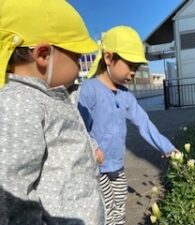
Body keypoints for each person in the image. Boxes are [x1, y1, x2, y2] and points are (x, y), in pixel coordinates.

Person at [0, 0, 105, 224]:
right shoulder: (19, 103)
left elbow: (65, 137)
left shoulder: (52, 95)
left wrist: (91, 148)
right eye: (77, 57)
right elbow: (13, 188)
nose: (79, 66)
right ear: (44, 55)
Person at [78, 25, 178, 225]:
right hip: (97, 168)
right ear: (108, 58)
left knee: (119, 206)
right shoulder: (89, 90)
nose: (133, 72)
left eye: (136, 68)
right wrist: (92, 146)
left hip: (118, 166)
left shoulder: (126, 96)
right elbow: (78, 127)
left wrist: (166, 146)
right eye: (130, 65)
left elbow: (144, 123)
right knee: (105, 210)